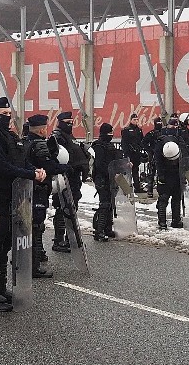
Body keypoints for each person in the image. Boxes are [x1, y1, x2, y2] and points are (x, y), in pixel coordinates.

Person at [0, 98, 46, 311]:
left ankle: (0, 288)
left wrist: (35, 171)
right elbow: (0, 167)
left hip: (13, 198)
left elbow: (20, 161)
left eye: (9, 113)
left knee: (5, 244)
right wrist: (30, 174)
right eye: (3, 114)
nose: (8, 117)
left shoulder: (9, 137)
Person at [23, 114, 68, 277]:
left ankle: (31, 256)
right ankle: (33, 265)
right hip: (39, 189)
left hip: (27, 189)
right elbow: (48, 165)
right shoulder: (39, 144)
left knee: (29, 225)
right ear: (42, 129)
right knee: (36, 226)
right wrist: (63, 168)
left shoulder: (25, 141)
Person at [51, 110, 88, 252]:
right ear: (61, 123)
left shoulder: (69, 136)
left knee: (72, 208)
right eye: (67, 123)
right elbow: (56, 156)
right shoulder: (57, 137)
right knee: (62, 208)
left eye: (72, 122)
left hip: (73, 179)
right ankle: (58, 240)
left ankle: (70, 239)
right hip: (63, 178)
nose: (70, 125)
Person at [91, 123, 121, 241]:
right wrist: (110, 171)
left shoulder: (109, 145)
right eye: (109, 133)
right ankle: (99, 230)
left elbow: (114, 160)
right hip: (102, 178)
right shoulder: (98, 146)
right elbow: (99, 164)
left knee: (110, 202)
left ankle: (107, 228)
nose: (111, 135)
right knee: (104, 204)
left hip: (110, 178)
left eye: (112, 133)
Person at [154, 118, 185, 230]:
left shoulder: (176, 139)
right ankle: (165, 221)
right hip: (168, 173)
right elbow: (158, 159)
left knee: (174, 197)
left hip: (174, 173)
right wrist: (161, 173)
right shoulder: (162, 140)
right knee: (165, 198)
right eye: (173, 126)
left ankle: (173, 220)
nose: (175, 128)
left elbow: (184, 155)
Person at [120, 113, 144, 193]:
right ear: (131, 120)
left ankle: (137, 187)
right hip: (129, 154)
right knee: (127, 171)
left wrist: (141, 150)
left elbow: (141, 141)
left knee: (135, 170)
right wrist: (126, 154)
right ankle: (126, 188)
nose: (136, 121)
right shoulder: (126, 130)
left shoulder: (139, 130)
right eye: (134, 119)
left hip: (136, 154)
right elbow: (124, 143)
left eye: (137, 119)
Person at [141, 116, 164, 198]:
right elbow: (144, 142)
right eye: (158, 123)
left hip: (162, 156)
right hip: (153, 156)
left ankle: (161, 191)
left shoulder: (164, 133)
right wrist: (150, 150)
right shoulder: (151, 134)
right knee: (151, 174)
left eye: (160, 123)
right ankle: (150, 190)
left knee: (162, 174)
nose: (160, 125)